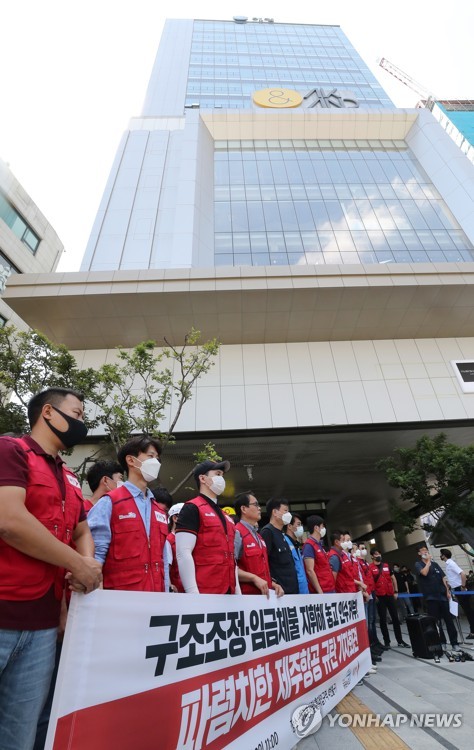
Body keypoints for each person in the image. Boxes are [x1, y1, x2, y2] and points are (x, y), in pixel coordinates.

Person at [0, 387, 102, 750]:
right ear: (48, 412)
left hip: (44, 625)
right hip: (4, 610)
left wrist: (89, 563)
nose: (81, 423)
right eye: (77, 413)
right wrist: (77, 562)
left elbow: (82, 528)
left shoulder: (70, 477)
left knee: (21, 732)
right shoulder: (11, 450)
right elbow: (10, 520)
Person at [87, 435, 169, 591]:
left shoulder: (158, 510)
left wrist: (165, 596)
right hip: (121, 601)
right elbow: (95, 557)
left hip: (156, 599)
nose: (156, 462)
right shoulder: (110, 502)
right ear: (131, 460)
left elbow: (163, 561)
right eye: (150, 456)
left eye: (157, 458)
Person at [176, 459, 239, 594]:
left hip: (229, 591)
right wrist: (193, 593)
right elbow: (183, 553)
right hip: (205, 591)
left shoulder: (226, 516)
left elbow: (231, 558)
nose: (221, 479)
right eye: (217, 474)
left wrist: (238, 592)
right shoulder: (192, 508)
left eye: (222, 475)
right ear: (203, 478)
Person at [234, 492, 283, 597]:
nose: (259, 508)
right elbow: (230, 568)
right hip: (249, 598)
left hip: (265, 596)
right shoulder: (237, 533)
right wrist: (253, 578)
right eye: (255, 505)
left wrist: (273, 584)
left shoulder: (258, 536)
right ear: (243, 509)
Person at [415, 545, 459, 650]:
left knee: (449, 621)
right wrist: (428, 561)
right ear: (419, 553)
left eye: (426, 550)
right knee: (436, 622)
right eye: (423, 550)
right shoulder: (418, 564)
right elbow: (424, 573)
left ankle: (454, 643)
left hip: (442, 596)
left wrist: (447, 591)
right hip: (431, 598)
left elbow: (443, 578)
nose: (425, 552)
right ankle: (441, 642)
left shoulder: (435, 564)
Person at [369, 549, 409, 648]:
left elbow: (393, 578)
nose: (378, 555)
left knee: (395, 618)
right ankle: (387, 642)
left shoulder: (386, 566)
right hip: (380, 596)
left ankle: (400, 640)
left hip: (390, 594)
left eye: (379, 553)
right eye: (376, 554)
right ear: (372, 556)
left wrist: (396, 591)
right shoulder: (370, 568)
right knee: (383, 619)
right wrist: (375, 596)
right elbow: (371, 582)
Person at [260, 498, 299, 595]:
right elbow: (263, 562)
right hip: (280, 591)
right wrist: (273, 584)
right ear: (275, 512)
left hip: (292, 589)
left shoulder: (281, 533)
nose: (288, 514)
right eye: (285, 511)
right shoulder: (267, 532)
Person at [440, 549, 474, 638]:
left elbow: (462, 574)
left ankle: (473, 631)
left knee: (468, 610)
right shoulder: (448, 564)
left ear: (444, 555)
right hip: (456, 588)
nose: (440, 556)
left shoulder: (451, 563)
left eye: (441, 554)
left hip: (460, 588)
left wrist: (463, 586)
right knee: (468, 610)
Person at [302, 515, 335, 594]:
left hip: (329, 587)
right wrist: (320, 591)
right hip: (322, 590)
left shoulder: (318, 545)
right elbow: (310, 570)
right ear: (316, 528)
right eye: (322, 526)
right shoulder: (309, 546)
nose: (324, 529)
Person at [285, 515, 309, 594]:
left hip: (303, 589)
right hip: (294, 591)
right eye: (298, 524)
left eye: (301, 525)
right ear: (289, 526)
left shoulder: (296, 545)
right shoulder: (284, 543)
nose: (301, 527)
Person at [165, 503, 184, 592]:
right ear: (175, 518)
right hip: (178, 593)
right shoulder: (168, 541)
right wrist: (169, 585)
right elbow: (167, 568)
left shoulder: (190, 540)